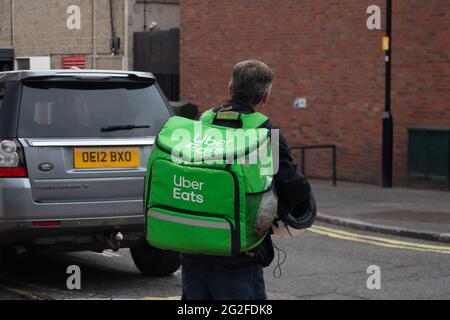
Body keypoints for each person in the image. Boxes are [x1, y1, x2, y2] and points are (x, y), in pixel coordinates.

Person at [181, 60, 315, 300]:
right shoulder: (265, 131)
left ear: (229, 87)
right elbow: (290, 187)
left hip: (195, 244)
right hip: (238, 250)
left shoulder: (203, 122)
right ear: (266, 98)